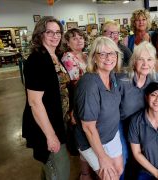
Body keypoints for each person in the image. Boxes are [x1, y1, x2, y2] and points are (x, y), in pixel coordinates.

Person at [22, 16, 70, 180]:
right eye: (50, 32)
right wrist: (50, 136)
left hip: (59, 121)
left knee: (50, 170)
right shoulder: (37, 60)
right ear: (40, 34)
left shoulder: (55, 56)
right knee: (60, 171)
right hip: (47, 126)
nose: (55, 36)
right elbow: (35, 103)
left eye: (58, 32)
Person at [73, 36, 124, 180]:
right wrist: (102, 157)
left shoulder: (111, 75)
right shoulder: (89, 85)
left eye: (112, 53)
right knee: (110, 176)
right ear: (94, 57)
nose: (108, 58)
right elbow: (88, 127)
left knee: (118, 170)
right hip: (91, 139)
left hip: (111, 134)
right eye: (102, 54)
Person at [117, 41, 158, 179]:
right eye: (141, 59)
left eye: (149, 59)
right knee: (123, 156)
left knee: (142, 155)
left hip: (141, 124)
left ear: (153, 63)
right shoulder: (122, 79)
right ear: (134, 61)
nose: (145, 63)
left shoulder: (153, 80)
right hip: (122, 123)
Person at [61, 28, 94, 180]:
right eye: (74, 38)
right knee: (83, 139)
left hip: (91, 99)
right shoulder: (68, 57)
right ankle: (85, 173)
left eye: (81, 37)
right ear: (67, 42)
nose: (79, 40)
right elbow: (74, 85)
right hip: (79, 100)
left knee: (91, 136)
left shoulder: (87, 55)